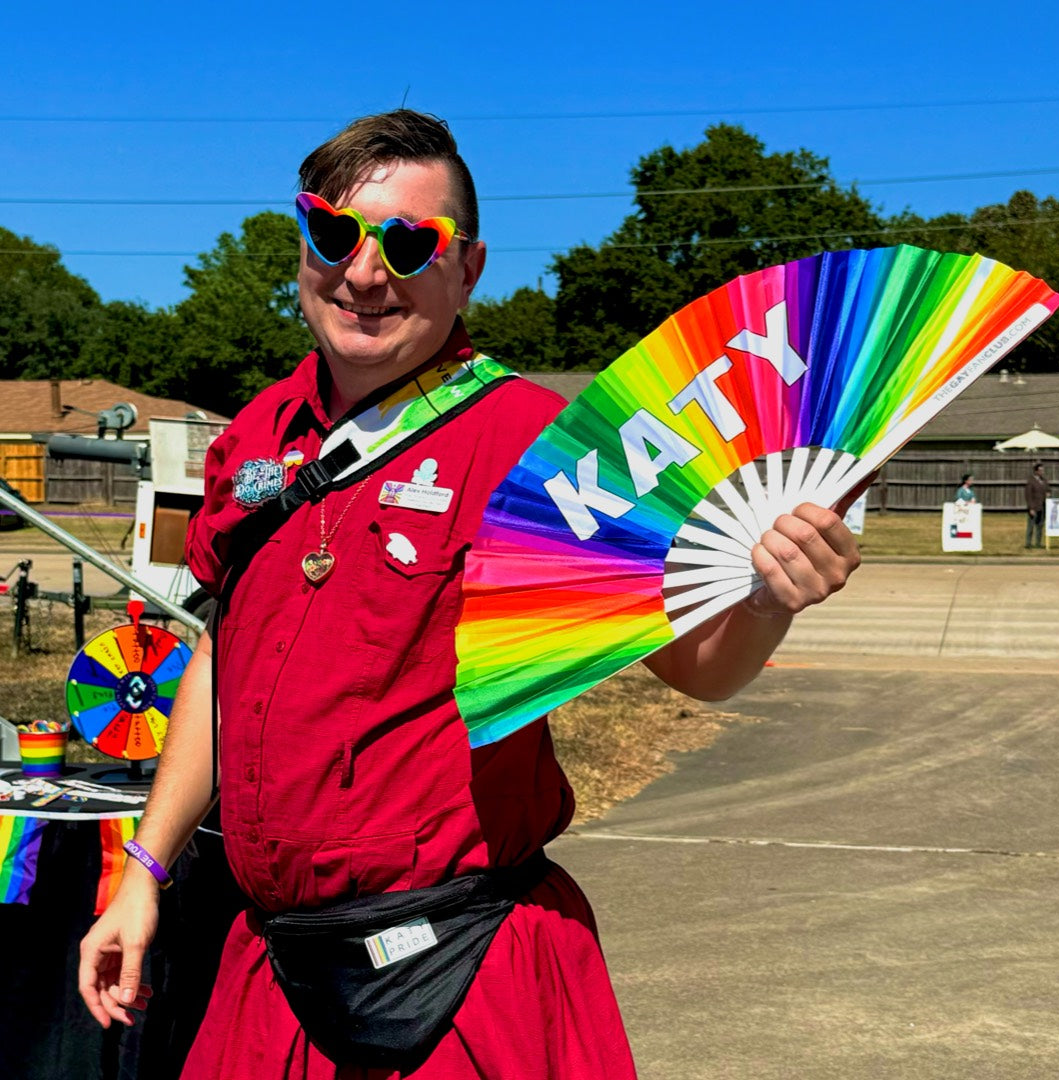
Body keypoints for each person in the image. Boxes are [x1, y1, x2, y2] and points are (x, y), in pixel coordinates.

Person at [78, 110, 862, 1079]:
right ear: (302, 246)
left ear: (470, 269)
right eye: (334, 234)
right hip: (274, 965)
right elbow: (222, 661)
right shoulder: (255, 434)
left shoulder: (550, 447)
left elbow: (700, 669)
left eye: (410, 244)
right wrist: (145, 873)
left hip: (463, 970)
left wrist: (768, 598)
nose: (365, 274)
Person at [1025, 461, 1049, 548]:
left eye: (1043, 470)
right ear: (1036, 471)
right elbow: (1028, 495)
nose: (1042, 472)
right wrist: (1031, 508)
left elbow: (1048, 489)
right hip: (1034, 507)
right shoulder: (1031, 481)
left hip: (1042, 506)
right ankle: (1028, 543)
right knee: (1031, 526)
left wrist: (1048, 492)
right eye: (1040, 470)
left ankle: (1038, 543)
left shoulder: (1044, 480)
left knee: (1040, 525)